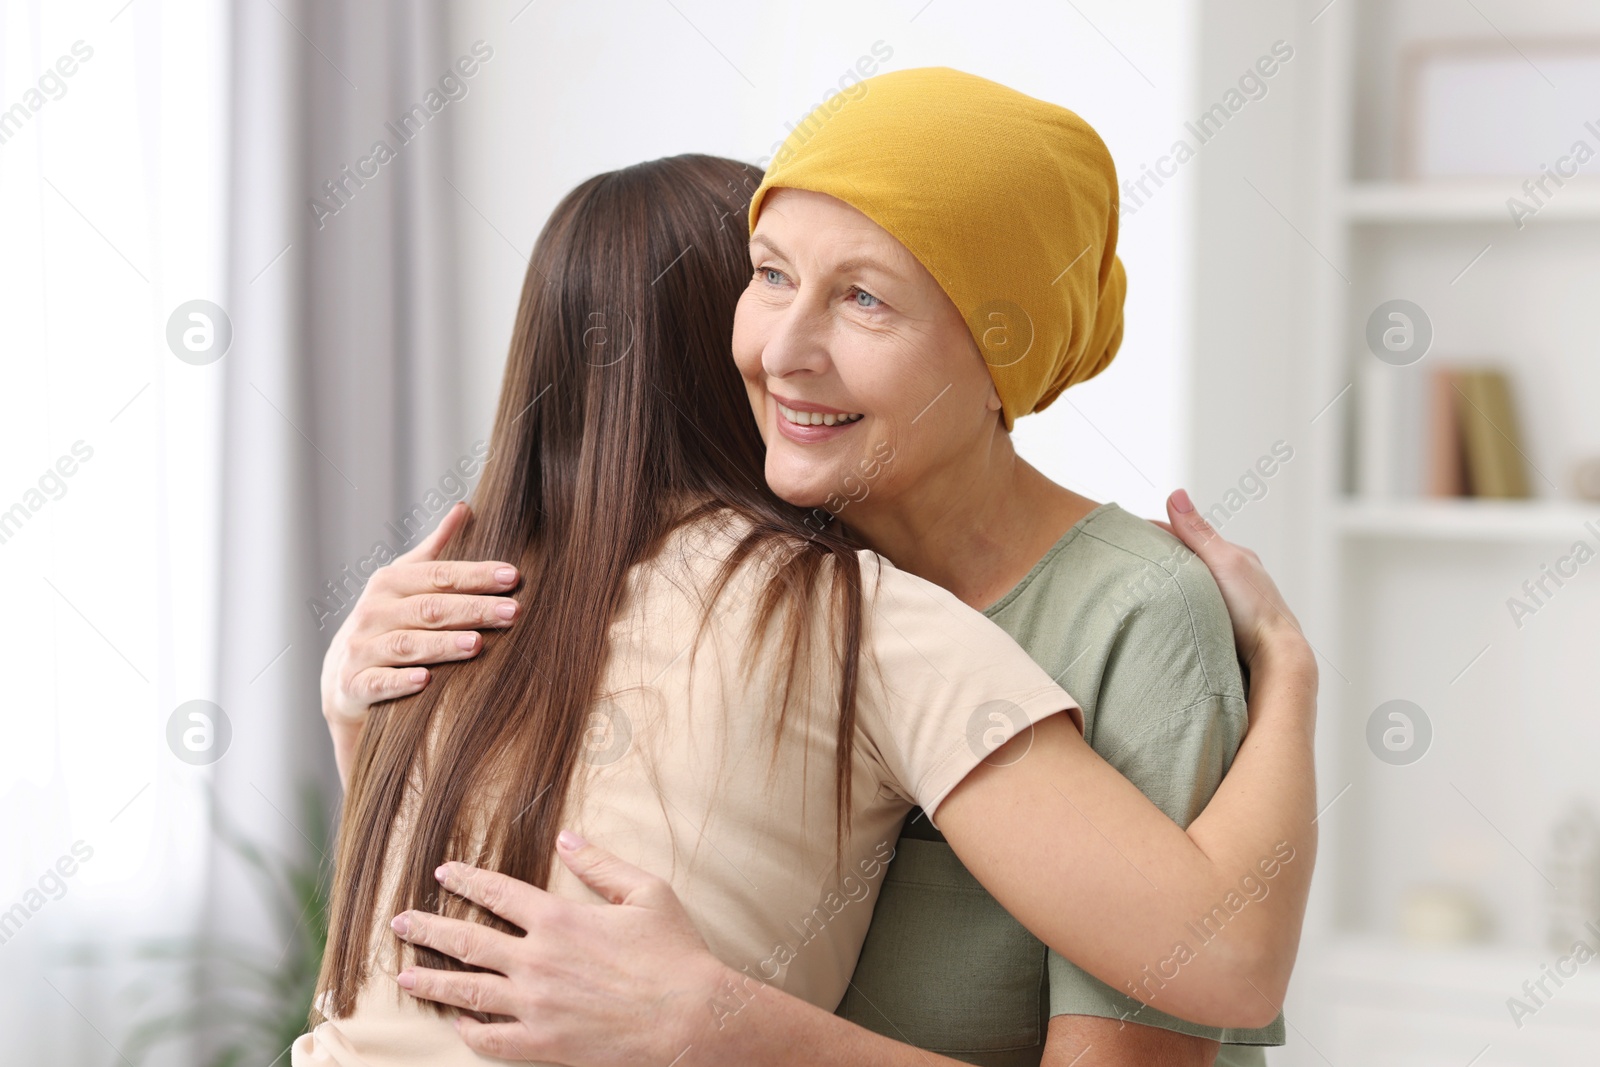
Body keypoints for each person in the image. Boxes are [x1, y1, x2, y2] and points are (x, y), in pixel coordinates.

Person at [319, 71, 1313, 1067]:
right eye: (770, 273)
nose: (780, 351)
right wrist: (364, 707)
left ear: (1000, 352)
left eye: (865, 298)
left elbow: (1219, 965)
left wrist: (1289, 679)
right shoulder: (738, 584)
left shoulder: (1119, 613)